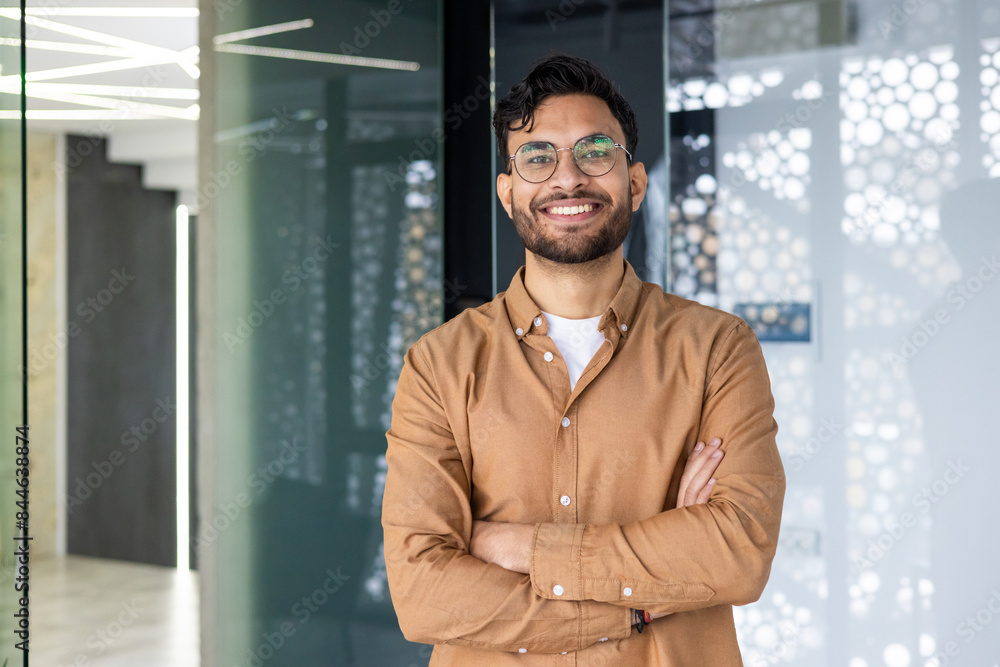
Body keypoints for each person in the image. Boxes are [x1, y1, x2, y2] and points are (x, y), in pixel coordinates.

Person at [381, 53, 785, 665]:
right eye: (538, 158)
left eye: (596, 151)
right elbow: (424, 594)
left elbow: (739, 551)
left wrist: (516, 548)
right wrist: (642, 600)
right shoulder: (439, 365)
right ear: (508, 191)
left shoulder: (717, 349)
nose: (568, 179)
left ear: (635, 182)